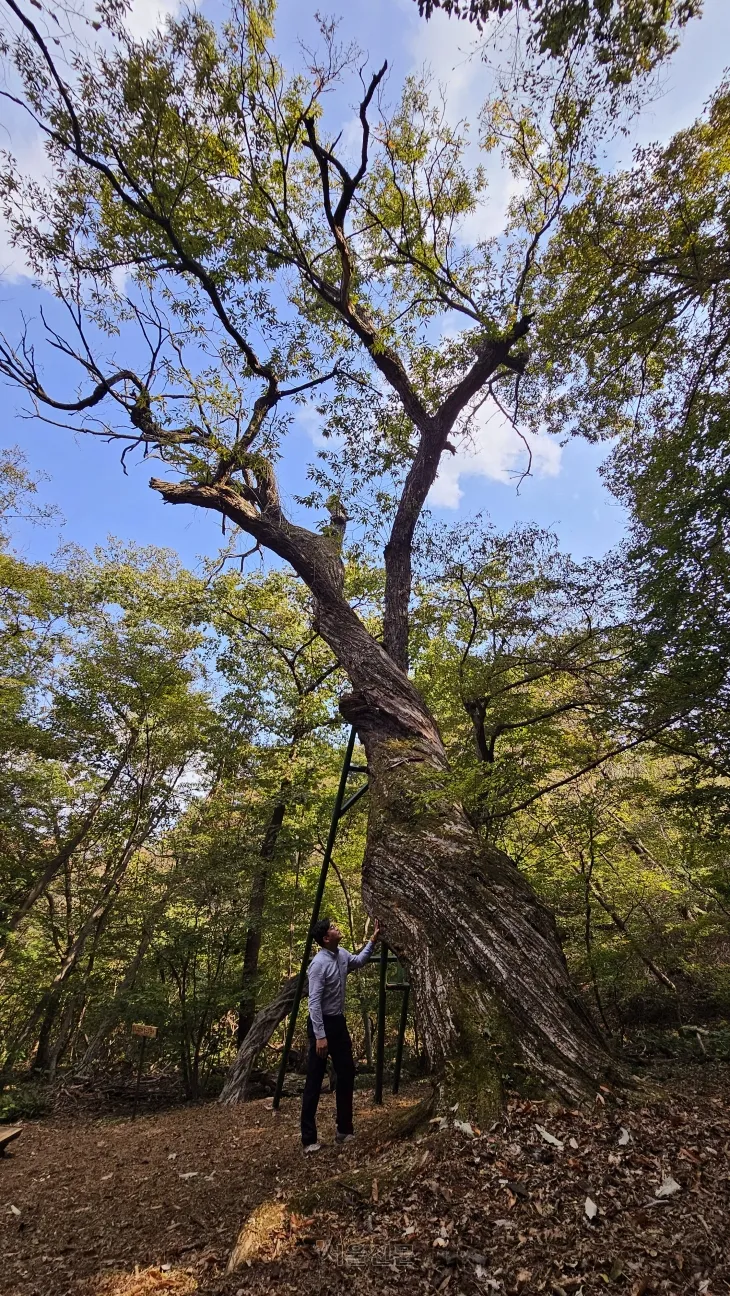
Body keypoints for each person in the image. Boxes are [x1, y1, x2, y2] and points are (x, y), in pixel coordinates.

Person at [301, 915, 381, 1153]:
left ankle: (344, 1130)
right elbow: (313, 1002)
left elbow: (359, 960)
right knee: (314, 1080)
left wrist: (373, 939)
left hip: (338, 1022)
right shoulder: (318, 964)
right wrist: (320, 1036)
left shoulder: (342, 954)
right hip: (321, 1025)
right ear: (326, 938)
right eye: (333, 928)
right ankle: (308, 1139)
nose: (337, 929)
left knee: (347, 1072)